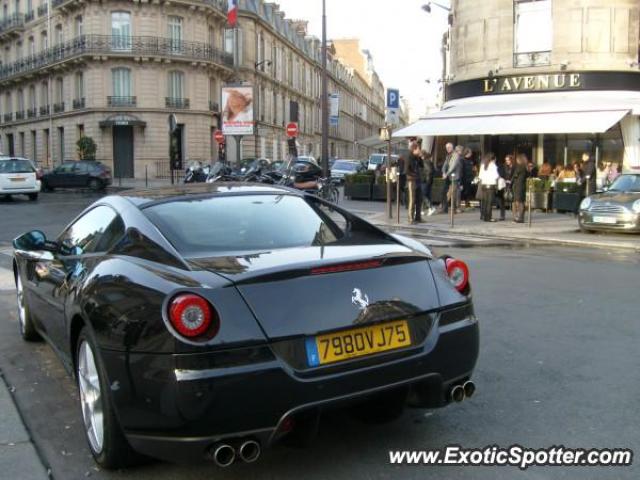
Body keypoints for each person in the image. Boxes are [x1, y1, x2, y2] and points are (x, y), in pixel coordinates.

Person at [406, 141, 424, 224]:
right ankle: (410, 218)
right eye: (418, 149)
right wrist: (415, 174)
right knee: (412, 200)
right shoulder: (409, 157)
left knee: (419, 199)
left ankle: (418, 217)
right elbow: (407, 170)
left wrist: (420, 157)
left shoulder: (416, 157)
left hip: (418, 180)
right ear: (414, 149)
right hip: (412, 181)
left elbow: (421, 166)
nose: (420, 150)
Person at [479, 153, 499, 222]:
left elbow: (480, 176)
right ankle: (489, 217)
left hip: (484, 185)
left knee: (485, 201)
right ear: (492, 159)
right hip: (491, 185)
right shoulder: (493, 165)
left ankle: (484, 216)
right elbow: (496, 176)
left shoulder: (483, 165)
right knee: (489, 202)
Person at [495, 155, 514, 221]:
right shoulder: (503, 166)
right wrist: (505, 179)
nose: (507, 161)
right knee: (501, 200)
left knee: (512, 199)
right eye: (506, 160)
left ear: (511, 160)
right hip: (503, 185)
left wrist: (511, 180)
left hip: (511, 185)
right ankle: (502, 215)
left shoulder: (514, 167)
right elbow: (500, 174)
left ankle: (515, 215)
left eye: (508, 160)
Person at [512, 153, 528, 223]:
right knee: (521, 201)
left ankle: (519, 217)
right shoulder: (525, 167)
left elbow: (515, 175)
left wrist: (510, 182)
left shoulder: (519, 167)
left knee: (518, 201)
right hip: (522, 186)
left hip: (518, 186)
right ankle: (520, 217)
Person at [420, 150, 436, 216]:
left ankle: (430, 207)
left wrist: (427, 180)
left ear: (422, 155)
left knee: (423, 195)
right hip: (428, 181)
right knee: (427, 195)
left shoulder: (425, 162)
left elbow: (429, 171)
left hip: (425, 181)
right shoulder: (428, 161)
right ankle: (422, 210)